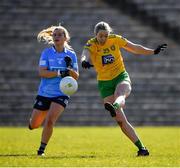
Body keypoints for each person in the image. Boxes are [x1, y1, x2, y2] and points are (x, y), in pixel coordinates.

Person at [81, 21, 167, 156]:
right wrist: (84, 61)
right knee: (121, 121)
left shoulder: (115, 39)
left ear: (109, 34)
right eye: (100, 36)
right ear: (95, 35)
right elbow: (85, 53)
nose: (103, 38)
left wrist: (153, 51)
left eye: (105, 35)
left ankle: (115, 105)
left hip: (120, 76)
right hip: (104, 83)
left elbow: (135, 48)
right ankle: (142, 149)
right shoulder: (91, 43)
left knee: (120, 94)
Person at [28, 24, 79, 156]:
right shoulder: (46, 53)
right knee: (34, 125)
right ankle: (32, 124)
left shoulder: (71, 55)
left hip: (61, 93)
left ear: (65, 38)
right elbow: (42, 72)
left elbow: (76, 76)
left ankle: (41, 150)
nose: (56, 37)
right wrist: (60, 73)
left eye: (60, 34)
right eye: (54, 35)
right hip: (44, 93)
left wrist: (69, 69)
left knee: (50, 120)